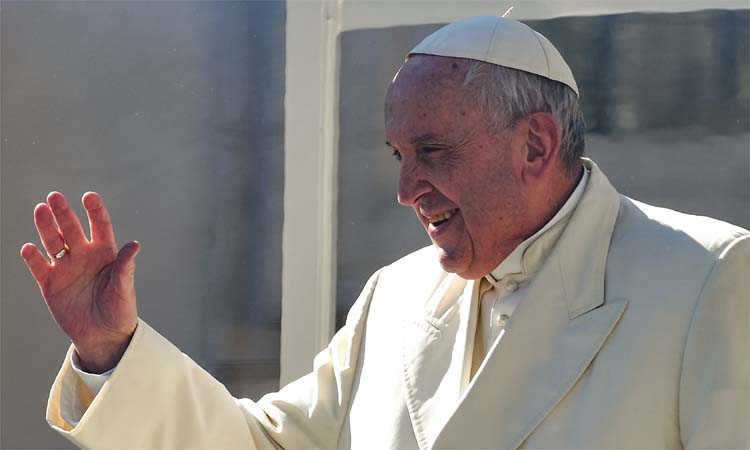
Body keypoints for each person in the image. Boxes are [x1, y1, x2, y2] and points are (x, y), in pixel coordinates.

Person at [22, 16, 748, 449]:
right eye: (400, 157)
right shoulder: (395, 297)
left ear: (535, 146)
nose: (405, 191)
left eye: (432, 152)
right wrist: (111, 351)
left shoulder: (708, 277)